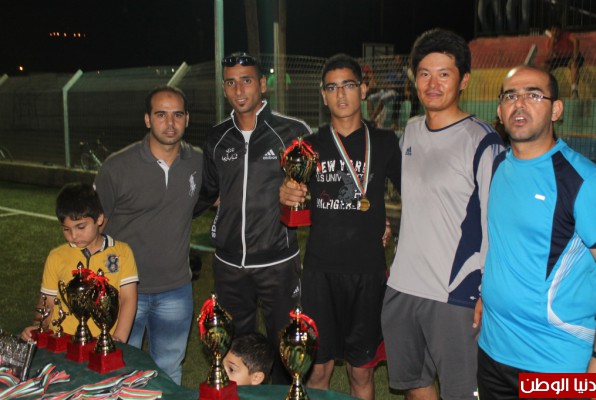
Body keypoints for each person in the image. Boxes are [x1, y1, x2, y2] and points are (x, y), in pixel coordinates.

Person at [380, 28, 505, 400]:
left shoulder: (483, 142)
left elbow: (497, 224)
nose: (432, 84)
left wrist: (486, 291)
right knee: (414, 384)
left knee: (461, 393)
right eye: (424, 74)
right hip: (403, 285)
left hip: (455, 293)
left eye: (444, 74)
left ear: (463, 80)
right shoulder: (410, 132)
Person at [279, 53, 401, 400]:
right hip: (321, 272)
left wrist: (388, 223)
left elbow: (414, 194)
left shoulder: (385, 142)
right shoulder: (308, 147)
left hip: (368, 272)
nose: (341, 94)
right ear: (323, 95)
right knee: (318, 369)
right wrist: (285, 193)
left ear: (363, 89)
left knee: (361, 371)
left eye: (348, 85)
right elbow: (291, 196)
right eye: (332, 88)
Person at [475, 65, 596, 398]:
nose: (519, 104)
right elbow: (507, 245)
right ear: (499, 111)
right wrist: (488, 293)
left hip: (556, 361)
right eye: (510, 96)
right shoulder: (499, 167)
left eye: (533, 95)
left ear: (556, 110)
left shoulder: (584, 181)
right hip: (492, 350)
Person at [193, 51, 312, 384]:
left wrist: (298, 194)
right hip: (229, 264)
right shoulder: (217, 137)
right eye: (230, 82)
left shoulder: (293, 131)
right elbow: (206, 193)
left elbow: (317, 189)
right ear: (223, 88)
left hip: (278, 262)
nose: (239, 90)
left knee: (286, 348)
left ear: (262, 84)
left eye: (246, 80)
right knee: (235, 351)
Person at [94, 85, 202, 385]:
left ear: (187, 119)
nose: (170, 123)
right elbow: (93, 229)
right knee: (118, 371)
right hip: (123, 290)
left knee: (169, 371)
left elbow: (222, 196)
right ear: (147, 119)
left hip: (176, 289)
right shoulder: (117, 167)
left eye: (177, 114)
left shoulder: (198, 162)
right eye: (161, 114)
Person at [21, 182, 138, 343]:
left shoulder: (122, 252)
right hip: (62, 341)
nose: (73, 236)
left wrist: (118, 338)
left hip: (103, 342)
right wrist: (38, 326)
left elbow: (128, 299)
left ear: (99, 219)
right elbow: (47, 301)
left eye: (80, 227)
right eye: (66, 229)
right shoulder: (56, 256)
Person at [544, 23, 584, 98]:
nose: (555, 32)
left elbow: (576, 41)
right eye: (553, 30)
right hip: (559, 59)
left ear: (560, 31)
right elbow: (549, 56)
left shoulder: (566, 35)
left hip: (571, 57)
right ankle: (545, 90)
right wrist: (552, 42)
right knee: (544, 66)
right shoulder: (549, 41)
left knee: (574, 65)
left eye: (557, 30)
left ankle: (574, 91)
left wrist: (574, 57)